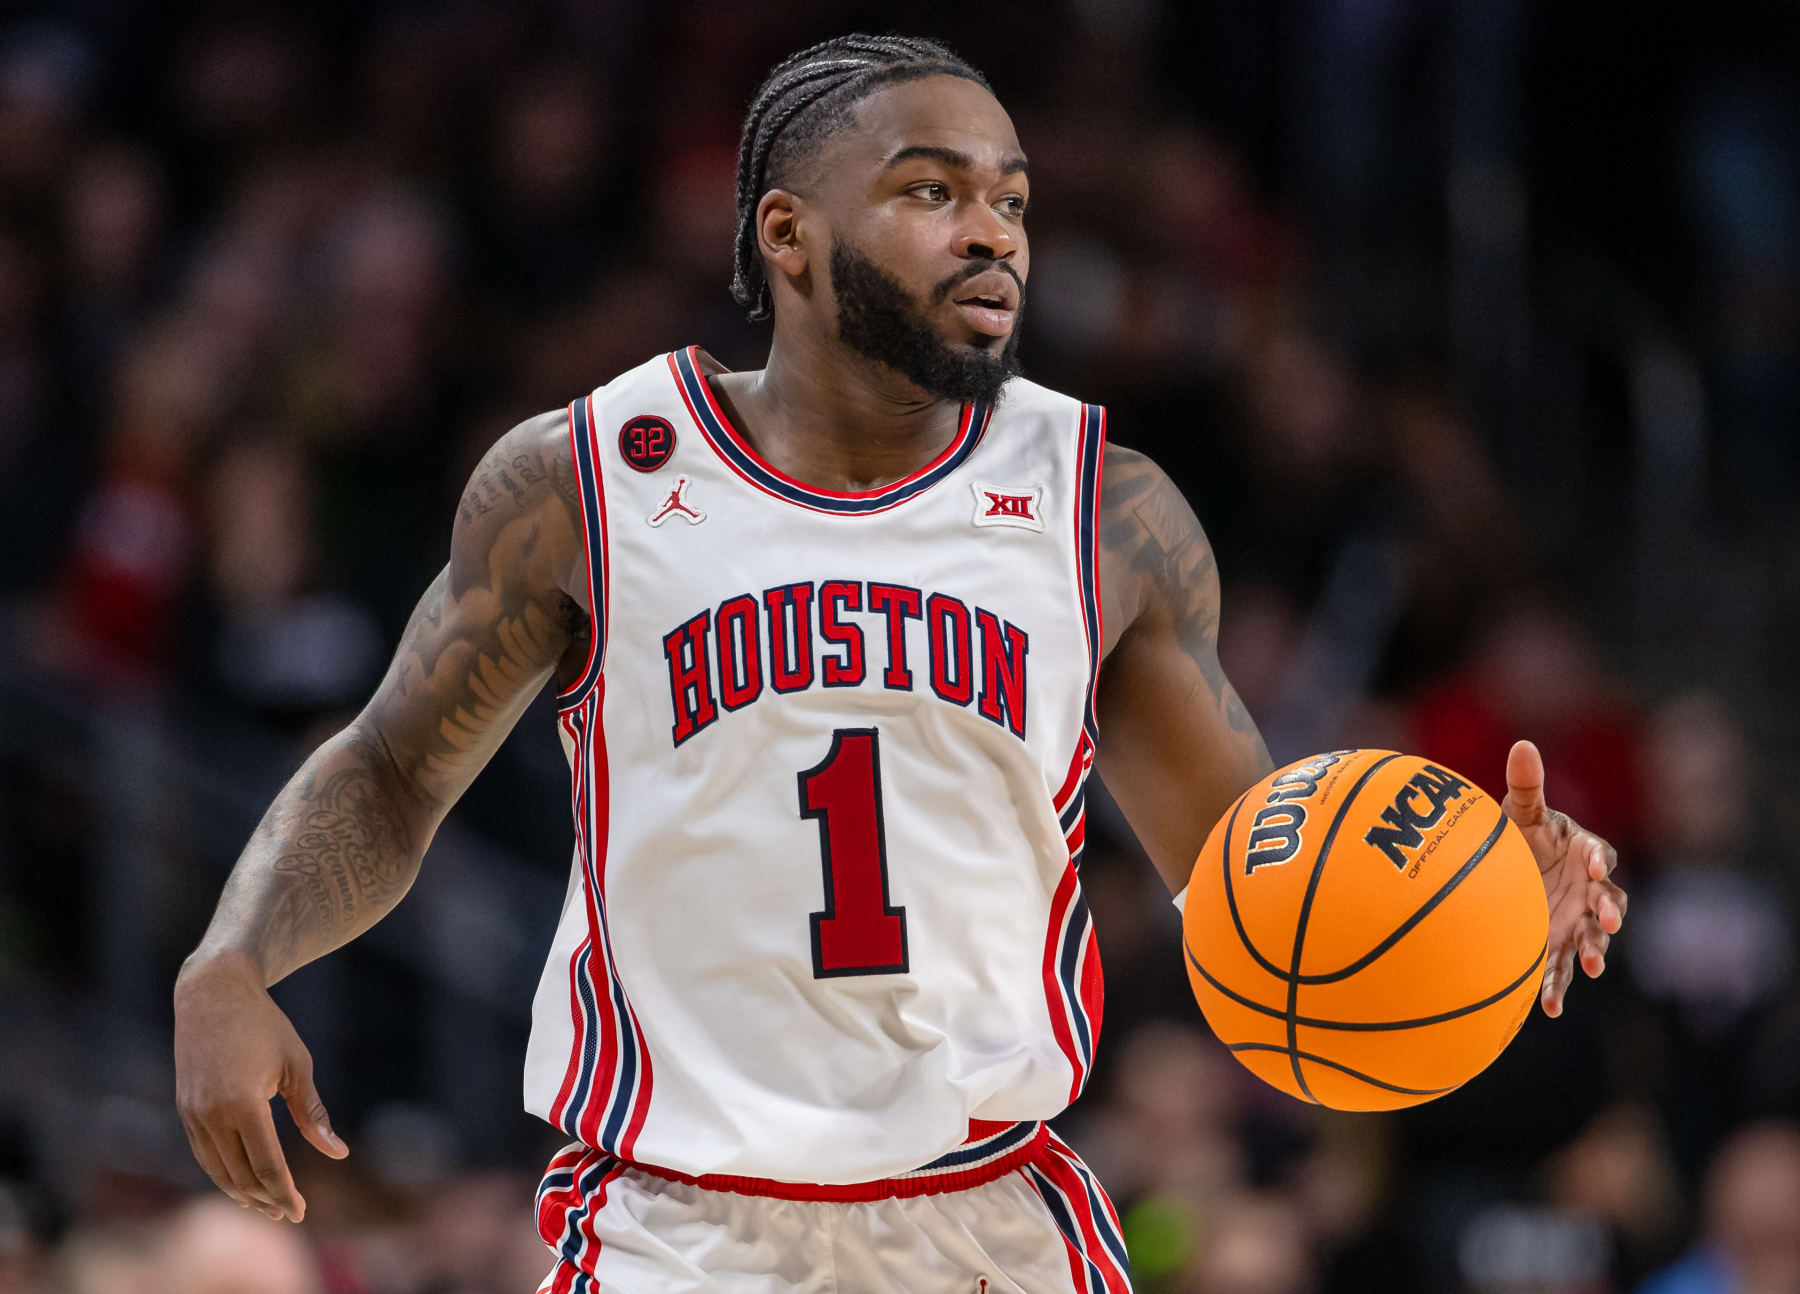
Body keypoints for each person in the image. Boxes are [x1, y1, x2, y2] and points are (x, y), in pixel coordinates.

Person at [171, 35, 1628, 1293]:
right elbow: (386, 771)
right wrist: (236, 955)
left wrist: (1478, 899)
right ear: (790, 233)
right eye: (934, 191)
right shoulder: (592, 481)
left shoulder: (1104, 511)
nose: (992, 229)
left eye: (1011, 198)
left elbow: (1255, 891)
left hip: (989, 1217)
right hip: (679, 1228)